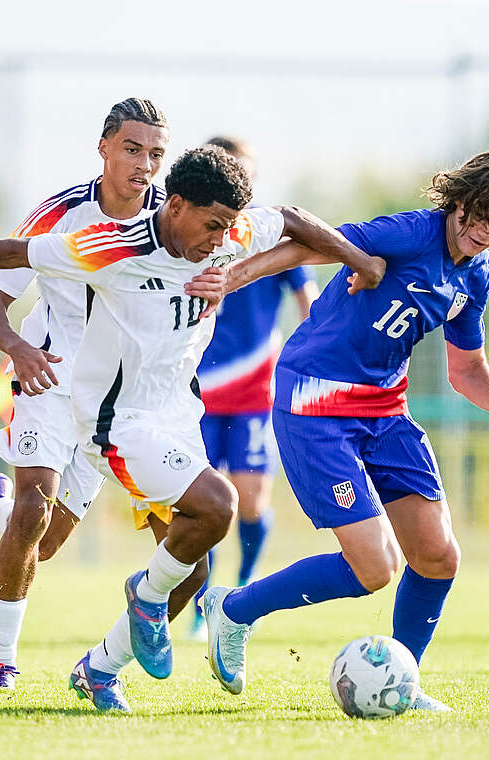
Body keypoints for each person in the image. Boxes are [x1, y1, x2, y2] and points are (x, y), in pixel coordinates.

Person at [0, 146, 384, 712]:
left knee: (188, 571)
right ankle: (26, 648)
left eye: (228, 228)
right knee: (217, 505)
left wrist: (356, 261)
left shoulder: (225, 234)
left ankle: (98, 667)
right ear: (177, 206)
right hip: (116, 420)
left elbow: (294, 221)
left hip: (177, 415)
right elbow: (13, 251)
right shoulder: (114, 247)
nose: (219, 239)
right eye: (211, 226)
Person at [198, 149, 489, 712]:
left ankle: (402, 683)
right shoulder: (410, 232)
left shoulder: (477, 272)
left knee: (437, 556)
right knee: (375, 568)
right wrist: (233, 278)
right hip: (316, 400)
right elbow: (312, 243)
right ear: (458, 201)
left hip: (384, 411)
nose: (482, 232)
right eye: (477, 215)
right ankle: (234, 609)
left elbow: (468, 372)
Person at [0, 97, 194, 691]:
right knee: (34, 509)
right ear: (103, 147)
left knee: (43, 543)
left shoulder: (168, 223)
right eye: (132, 149)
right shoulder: (58, 215)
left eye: (155, 154)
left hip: (114, 402)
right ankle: (0, 660)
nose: (144, 165)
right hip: (46, 377)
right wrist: (21, 353)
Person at [191, 136, 317, 638]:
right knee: (199, 501)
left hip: (253, 392)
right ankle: (200, 602)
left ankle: (240, 590)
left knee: (250, 498)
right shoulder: (191, 232)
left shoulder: (265, 230)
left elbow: (305, 293)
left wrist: (309, 354)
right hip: (195, 388)